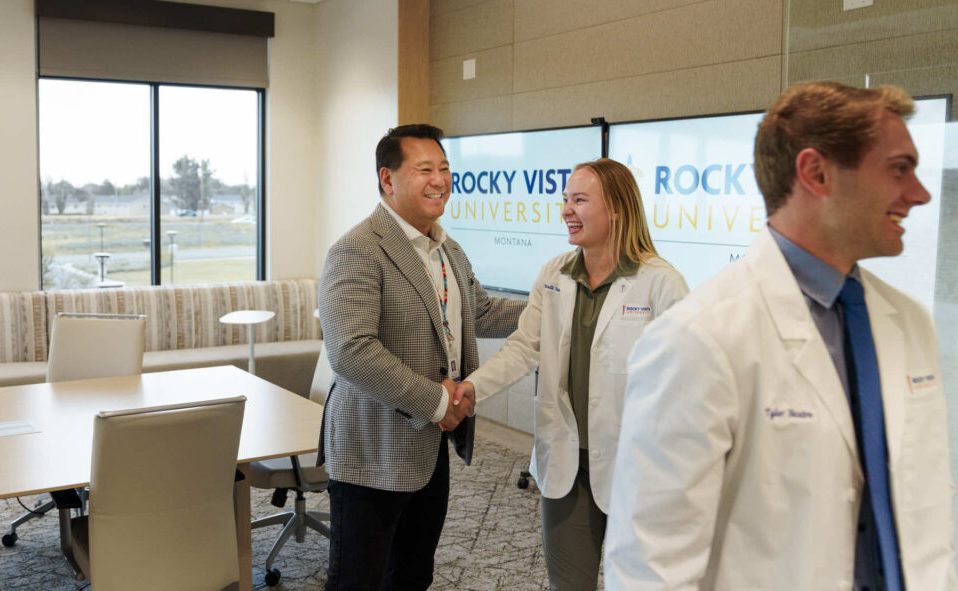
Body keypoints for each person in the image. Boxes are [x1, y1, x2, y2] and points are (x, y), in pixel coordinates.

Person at [604, 81, 957, 590]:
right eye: (899, 169)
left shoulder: (909, 322)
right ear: (815, 173)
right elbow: (651, 567)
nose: (919, 194)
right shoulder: (698, 338)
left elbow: (926, 513)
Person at [456, 158, 688, 590]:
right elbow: (524, 348)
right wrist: (471, 388)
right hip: (566, 464)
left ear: (617, 207)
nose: (566, 209)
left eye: (579, 200)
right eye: (565, 199)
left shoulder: (662, 284)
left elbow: (682, 385)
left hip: (634, 467)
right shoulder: (554, 274)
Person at [317, 123, 524, 590]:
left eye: (445, 169)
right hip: (371, 451)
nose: (440, 180)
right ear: (388, 180)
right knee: (357, 581)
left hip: (428, 450)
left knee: (412, 576)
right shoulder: (358, 250)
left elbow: (481, 311)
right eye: (425, 169)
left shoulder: (446, 248)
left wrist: (551, 305)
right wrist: (437, 402)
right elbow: (351, 351)